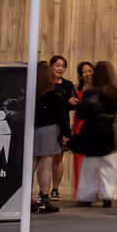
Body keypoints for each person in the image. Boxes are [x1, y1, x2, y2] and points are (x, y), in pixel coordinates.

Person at [71, 61, 117, 206]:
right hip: (109, 130)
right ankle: (108, 196)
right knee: (109, 165)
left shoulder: (90, 92)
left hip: (92, 131)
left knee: (90, 165)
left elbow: (82, 114)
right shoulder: (116, 90)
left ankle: (87, 196)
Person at [31, 60, 72, 214]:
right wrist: (66, 134)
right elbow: (62, 117)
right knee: (46, 164)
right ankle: (44, 199)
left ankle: (26, 200)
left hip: (31, 129)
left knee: (31, 165)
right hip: (49, 130)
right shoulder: (56, 94)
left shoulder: (30, 92)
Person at [47, 55, 72, 201]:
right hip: (47, 123)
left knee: (58, 158)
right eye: (57, 65)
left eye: (62, 66)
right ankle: (42, 190)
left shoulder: (68, 85)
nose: (60, 68)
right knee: (44, 159)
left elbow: (72, 104)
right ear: (51, 67)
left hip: (62, 123)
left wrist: (69, 102)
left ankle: (55, 189)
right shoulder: (46, 83)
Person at [69, 61, 95, 194]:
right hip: (80, 125)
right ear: (80, 75)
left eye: (89, 70)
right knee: (79, 159)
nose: (87, 74)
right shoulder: (76, 88)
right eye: (84, 72)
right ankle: (81, 192)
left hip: (95, 126)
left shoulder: (99, 88)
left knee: (93, 160)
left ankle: (94, 191)